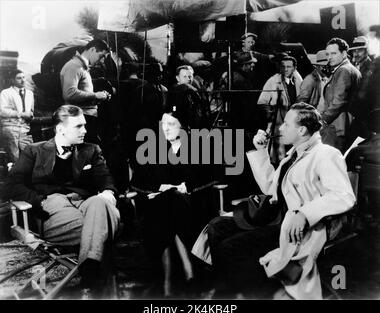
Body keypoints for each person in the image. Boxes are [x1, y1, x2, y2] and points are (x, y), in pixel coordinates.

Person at [207, 102, 355, 299]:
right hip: (277, 217)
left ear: (301, 130)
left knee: (231, 247)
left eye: (286, 124)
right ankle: (228, 287)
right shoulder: (293, 155)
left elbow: (343, 195)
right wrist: (260, 151)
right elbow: (270, 187)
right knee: (216, 226)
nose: (280, 128)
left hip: (300, 226)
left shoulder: (326, 155)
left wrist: (305, 214)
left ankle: (239, 293)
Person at [3, 105, 120, 297]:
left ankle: (89, 276)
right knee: (106, 224)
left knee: (101, 204)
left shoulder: (91, 150)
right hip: (52, 206)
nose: (85, 130)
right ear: (60, 128)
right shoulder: (34, 151)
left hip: (87, 205)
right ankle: (100, 286)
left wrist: (107, 192)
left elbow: (105, 178)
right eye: (79, 126)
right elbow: (10, 186)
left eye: (85, 125)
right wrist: (38, 201)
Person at [131, 101, 216, 298]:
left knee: (173, 202)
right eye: (163, 124)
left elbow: (210, 176)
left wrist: (186, 187)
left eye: (172, 124)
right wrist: (160, 188)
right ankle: (188, 272)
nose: (165, 129)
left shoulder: (200, 146)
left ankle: (169, 279)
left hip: (193, 206)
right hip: (160, 206)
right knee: (167, 203)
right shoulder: (153, 148)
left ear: (184, 126)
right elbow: (138, 181)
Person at [60, 39, 111, 144]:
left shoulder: (81, 67)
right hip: (80, 117)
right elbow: (69, 94)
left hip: (84, 116)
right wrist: (96, 95)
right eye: (101, 56)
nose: (101, 61)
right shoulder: (74, 66)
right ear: (92, 49)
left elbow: (81, 93)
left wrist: (100, 97)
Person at [257, 55, 303, 163]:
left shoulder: (298, 81)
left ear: (294, 68)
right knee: (278, 154)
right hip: (278, 122)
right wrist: (271, 116)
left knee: (293, 152)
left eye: (289, 66)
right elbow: (262, 102)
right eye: (283, 66)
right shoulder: (273, 81)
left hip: (294, 122)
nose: (285, 69)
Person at [321, 38, 361, 152]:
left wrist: (323, 120)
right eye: (327, 54)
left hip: (336, 127)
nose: (329, 57)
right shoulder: (351, 69)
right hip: (345, 125)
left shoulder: (343, 70)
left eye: (333, 53)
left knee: (329, 162)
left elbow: (339, 100)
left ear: (344, 53)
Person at [0, 69, 34, 164]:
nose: (23, 80)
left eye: (24, 77)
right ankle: (13, 177)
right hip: (11, 128)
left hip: (25, 129)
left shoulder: (30, 94)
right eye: (19, 78)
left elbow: (31, 111)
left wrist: (31, 116)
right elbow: (2, 111)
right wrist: (20, 114)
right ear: (12, 80)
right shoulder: (5, 93)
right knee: (14, 159)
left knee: (28, 158)